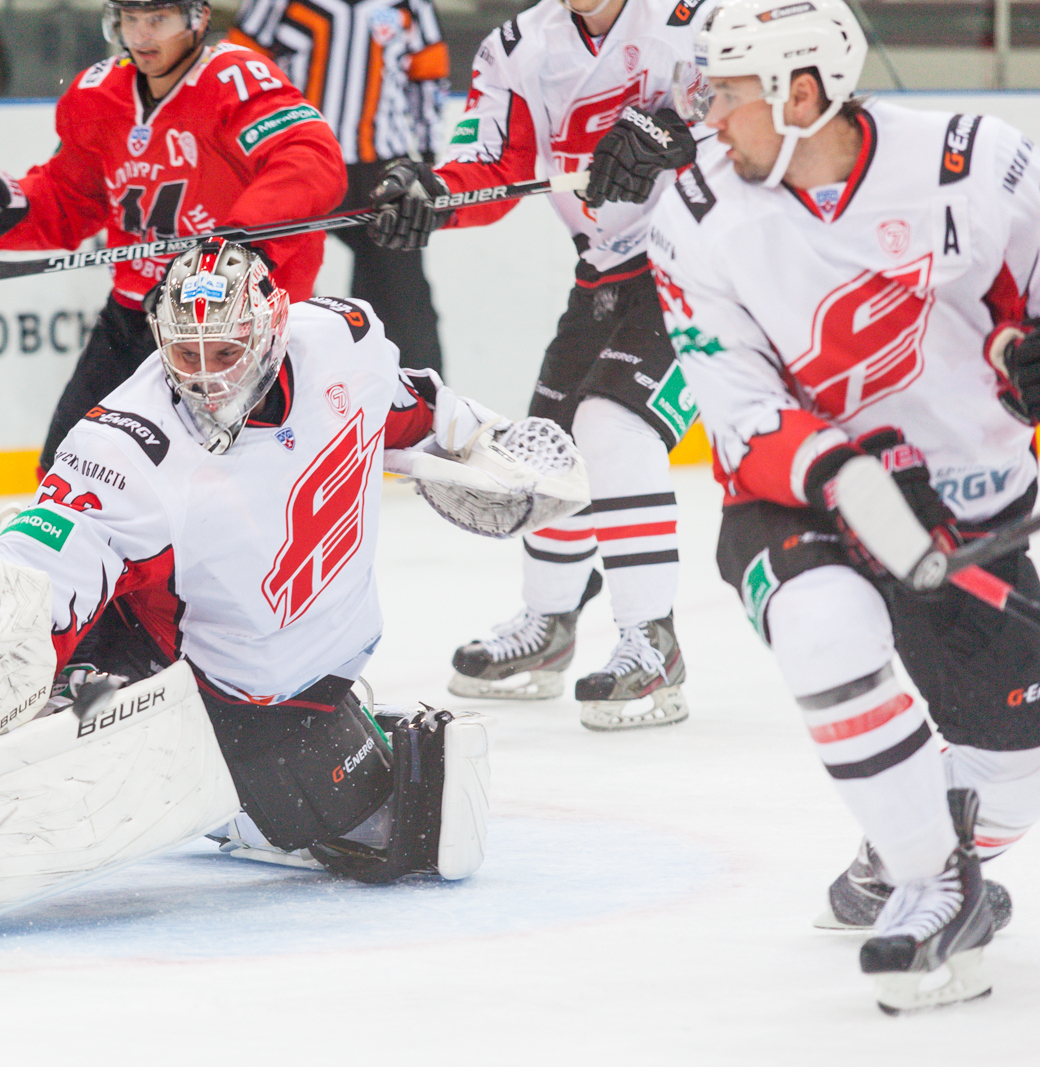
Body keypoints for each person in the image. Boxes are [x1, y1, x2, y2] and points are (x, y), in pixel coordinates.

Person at [0, 239, 588, 945]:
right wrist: (7, 619)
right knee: (76, 751)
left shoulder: (343, 337)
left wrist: (480, 438)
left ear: (268, 328)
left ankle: (246, 811)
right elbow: (61, 529)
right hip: (188, 680)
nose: (201, 376)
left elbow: (406, 402)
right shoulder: (128, 438)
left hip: (313, 682)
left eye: (222, 354)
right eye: (182, 354)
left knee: (424, 829)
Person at [648, 0, 1040, 1013]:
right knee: (822, 627)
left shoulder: (972, 161)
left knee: (1012, 773)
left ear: (801, 94)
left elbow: (1024, 303)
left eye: (729, 91)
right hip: (801, 491)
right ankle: (929, 878)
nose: (708, 111)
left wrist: (1025, 354)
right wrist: (842, 475)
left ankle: (903, 841)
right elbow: (733, 405)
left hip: (966, 498)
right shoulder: (693, 214)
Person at [362, 0, 711, 730]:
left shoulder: (695, 15)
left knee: (613, 427)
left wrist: (676, 132)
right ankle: (550, 626)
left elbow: (767, 108)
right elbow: (492, 167)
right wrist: (435, 193)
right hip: (604, 274)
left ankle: (654, 640)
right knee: (550, 449)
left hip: (703, 265)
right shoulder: (518, 45)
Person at [0, 0, 347, 473]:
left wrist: (240, 242)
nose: (142, 36)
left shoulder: (236, 80)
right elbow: (72, 194)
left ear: (197, 19)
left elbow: (309, 158)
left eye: (157, 19)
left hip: (235, 332)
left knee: (222, 483)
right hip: (137, 312)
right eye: (131, 20)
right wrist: (6, 205)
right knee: (67, 466)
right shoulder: (100, 93)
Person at [226, 0, 450, 374]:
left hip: (381, 169)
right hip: (294, 163)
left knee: (402, 303)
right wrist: (240, 153)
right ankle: (269, 393)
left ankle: (415, 411)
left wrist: (426, 161)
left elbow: (428, 75)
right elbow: (239, 69)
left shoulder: (411, 4)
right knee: (275, 290)